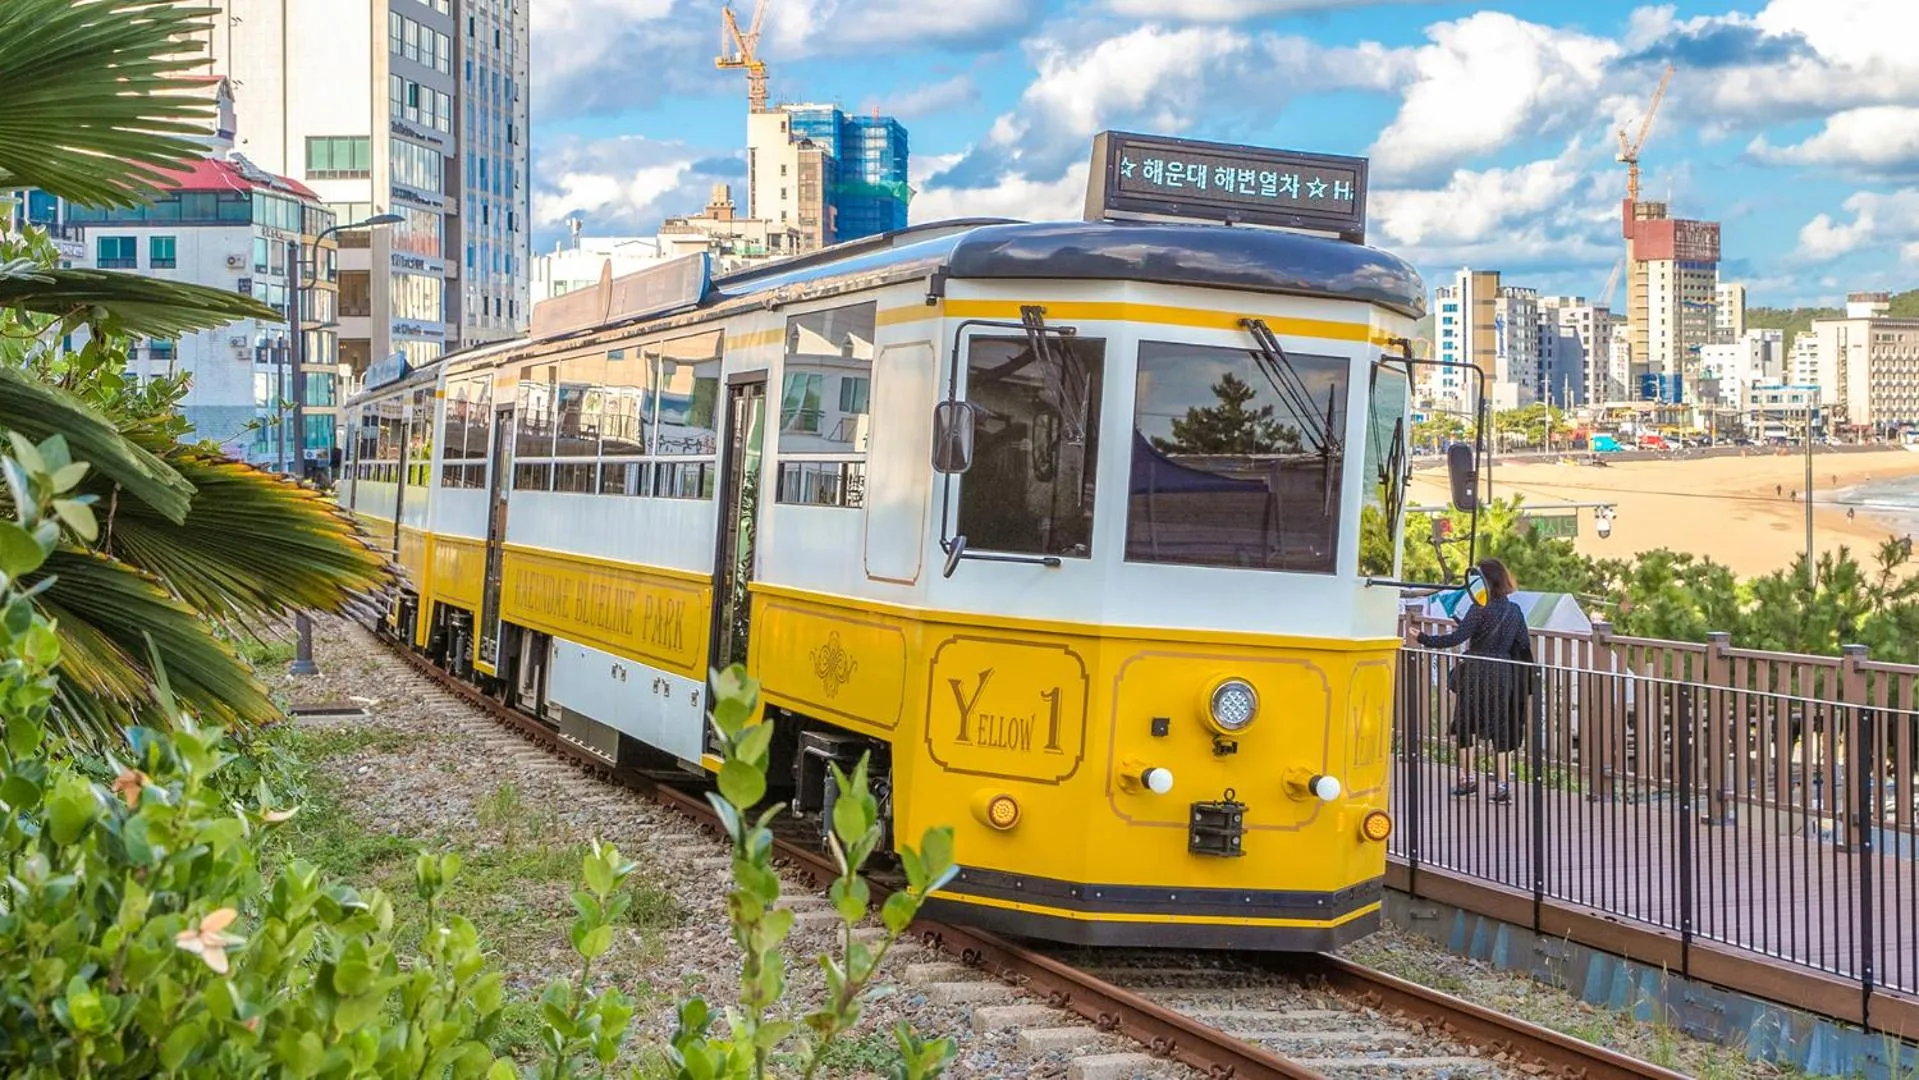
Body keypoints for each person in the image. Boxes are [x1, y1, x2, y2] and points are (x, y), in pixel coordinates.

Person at [1405, 559, 1534, 803]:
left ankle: (1467, 780)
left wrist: (1422, 637)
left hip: (1476, 672)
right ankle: (1503, 785)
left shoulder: (1479, 608)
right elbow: (1523, 644)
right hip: (1504, 672)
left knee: (1465, 726)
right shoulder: (1515, 610)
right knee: (1501, 729)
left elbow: (1455, 638)